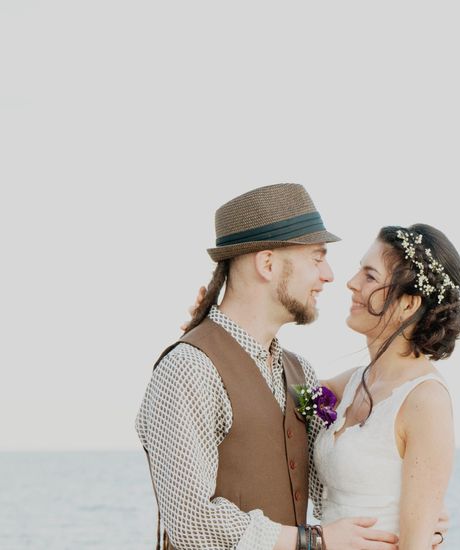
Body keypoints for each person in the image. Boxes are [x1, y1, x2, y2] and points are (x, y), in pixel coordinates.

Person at [136, 183, 428, 550]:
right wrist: (314, 541)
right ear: (268, 264)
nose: (329, 275)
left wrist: (406, 516)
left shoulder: (299, 371)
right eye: (317, 257)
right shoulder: (189, 368)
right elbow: (192, 522)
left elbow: (325, 493)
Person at [316, 224, 460, 550]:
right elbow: (271, 386)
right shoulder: (351, 383)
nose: (351, 282)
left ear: (408, 304)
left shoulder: (425, 400)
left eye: (369, 276)